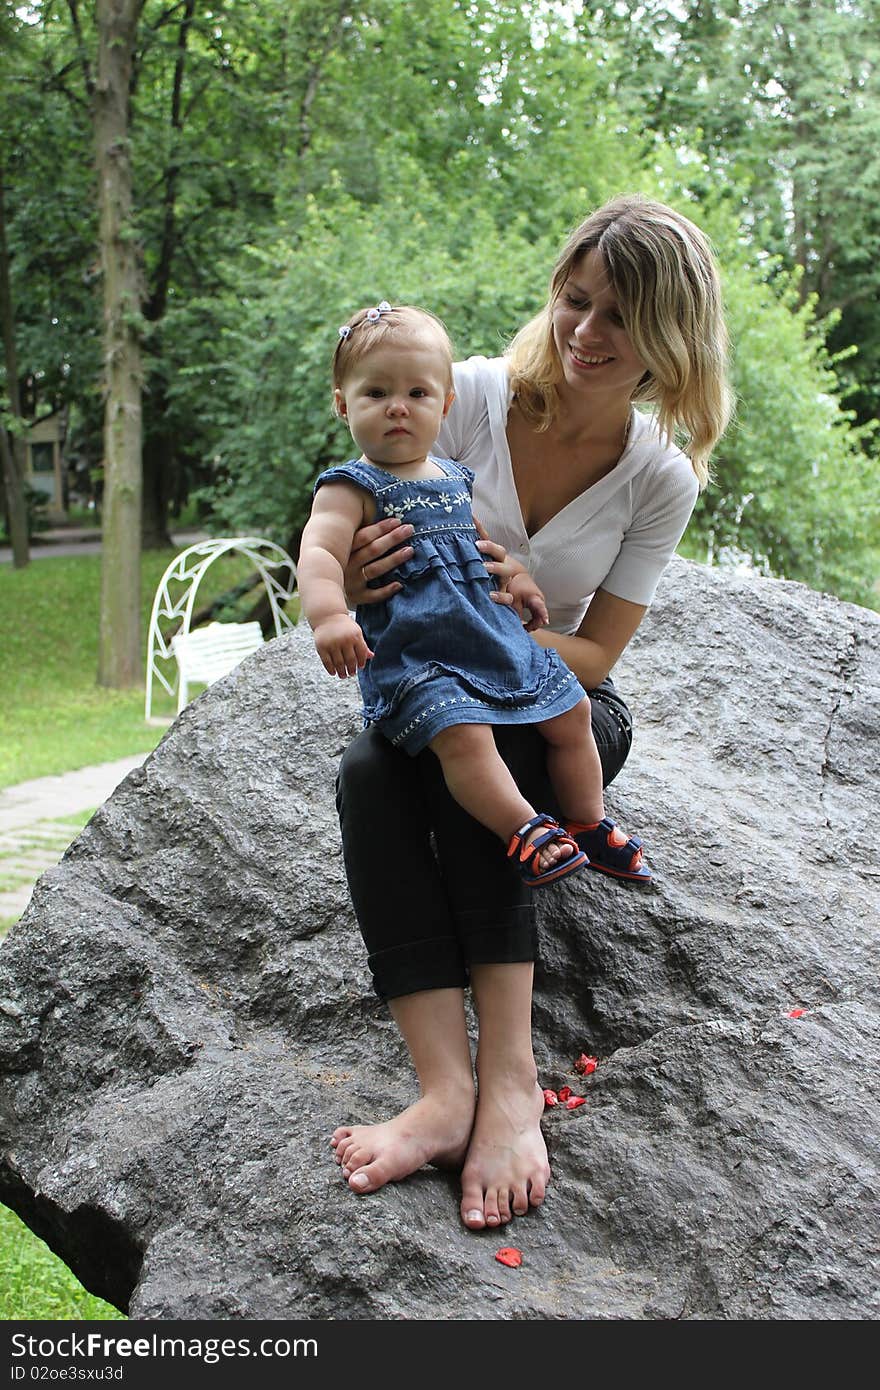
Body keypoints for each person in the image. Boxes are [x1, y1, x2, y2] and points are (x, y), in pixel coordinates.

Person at [322, 194, 732, 1232]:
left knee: (498, 750)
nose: (585, 333)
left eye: (621, 317)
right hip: (434, 683)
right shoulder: (460, 397)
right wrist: (368, 581)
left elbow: (596, 653)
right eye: (573, 299)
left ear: (672, 339)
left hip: (562, 698)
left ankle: (507, 1081)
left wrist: (500, 617)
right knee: (370, 773)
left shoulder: (659, 477)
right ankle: (440, 1086)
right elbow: (352, 533)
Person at [298, 302, 649, 886]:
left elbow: (483, 549)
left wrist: (519, 580)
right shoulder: (349, 488)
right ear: (342, 404)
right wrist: (332, 616)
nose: (397, 407)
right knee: (462, 735)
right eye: (375, 393)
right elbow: (320, 554)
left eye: (417, 393)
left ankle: (588, 820)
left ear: (445, 404)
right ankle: (522, 829)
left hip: (489, 637)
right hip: (423, 656)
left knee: (574, 710)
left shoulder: (451, 478)